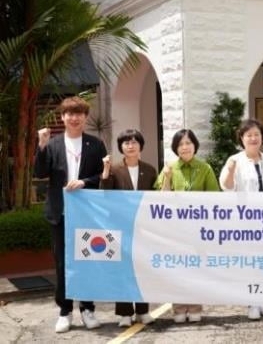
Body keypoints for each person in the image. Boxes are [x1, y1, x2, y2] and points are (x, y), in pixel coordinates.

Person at [33, 96, 107, 333]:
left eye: (79, 114)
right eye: (69, 114)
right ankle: (65, 311)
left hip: (87, 214)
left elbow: (102, 177)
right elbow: (40, 172)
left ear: (85, 117)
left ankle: (88, 308)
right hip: (60, 213)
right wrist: (41, 146)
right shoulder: (53, 144)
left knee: (89, 261)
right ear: (62, 118)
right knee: (62, 264)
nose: (74, 118)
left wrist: (85, 182)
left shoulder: (95, 144)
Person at [155, 128, 220, 323]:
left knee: (196, 268)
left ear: (195, 146)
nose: (185, 147)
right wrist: (166, 177)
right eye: (181, 144)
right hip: (174, 229)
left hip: (198, 228)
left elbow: (214, 197)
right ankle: (179, 308)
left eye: (188, 143)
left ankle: (195, 307)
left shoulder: (205, 168)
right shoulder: (169, 168)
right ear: (176, 148)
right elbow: (160, 199)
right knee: (178, 267)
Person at [219, 119, 263, 320]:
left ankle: (262, 300)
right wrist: (230, 169)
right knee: (250, 260)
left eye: (256, 135)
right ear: (242, 139)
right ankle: (252, 302)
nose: (253, 138)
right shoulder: (235, 160)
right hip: (245, 219)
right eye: (249, 135)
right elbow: (226, 187)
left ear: (262, 138)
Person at [100, 129, 157, 327]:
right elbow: (104, 195)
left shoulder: (150, 170)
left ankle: (143, 310)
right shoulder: (114, 169)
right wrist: (105, 172)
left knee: (142, 268)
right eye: (126, 143)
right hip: (120, 227)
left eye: (134, 142)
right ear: (121, 147)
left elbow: (155, 199)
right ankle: (124, 313)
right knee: (122, 270)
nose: (130, 146)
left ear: (141, 145)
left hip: (143, 227)